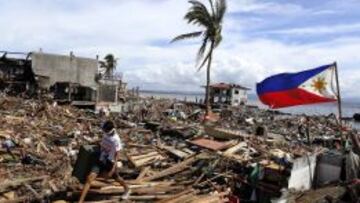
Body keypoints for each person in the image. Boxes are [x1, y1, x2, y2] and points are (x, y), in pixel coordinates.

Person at [79, 120, 130, 202]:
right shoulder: (105, 133)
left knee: (118, 179)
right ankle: (80, 201)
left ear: (109, 130)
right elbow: (102, 143)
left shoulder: (116, 139)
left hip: (110, 162)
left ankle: (127, 189)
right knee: (89, 178)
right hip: (101, 158)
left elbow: (117, 154)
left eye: (105, 130)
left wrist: (113, 168)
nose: (104, 131)